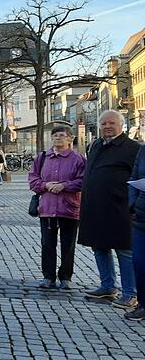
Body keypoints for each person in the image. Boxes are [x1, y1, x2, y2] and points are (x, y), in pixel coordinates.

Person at [79, 110, 140, 309]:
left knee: (125, 251)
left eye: (111, 123)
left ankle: (130, 293)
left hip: (120, 208)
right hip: (95, 206)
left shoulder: (132, 148)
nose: (107, 126)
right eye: (104, 123)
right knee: (99, 247)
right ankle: (107, 286)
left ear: (121, 125)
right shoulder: (96, 144)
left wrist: (132, 203)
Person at [28, 126, 85, 292]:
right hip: (47, 208)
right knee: (47, 244)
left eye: (62, 135)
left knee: (68, 245)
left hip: (69, 208)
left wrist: (64, 186)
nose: (58, 138)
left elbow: (83, 180)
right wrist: (45, 185)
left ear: (70, 139)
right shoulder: (43, 157)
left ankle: (66, 277)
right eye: (55, 135)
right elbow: (33, 180)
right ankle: (48, 276)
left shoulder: (78, 159)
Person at [125, 144, 145, 320]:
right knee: (139, 262)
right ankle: (143, 304)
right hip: (141, 216)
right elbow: (134, 176)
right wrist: (132, 203)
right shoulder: (143, 150)